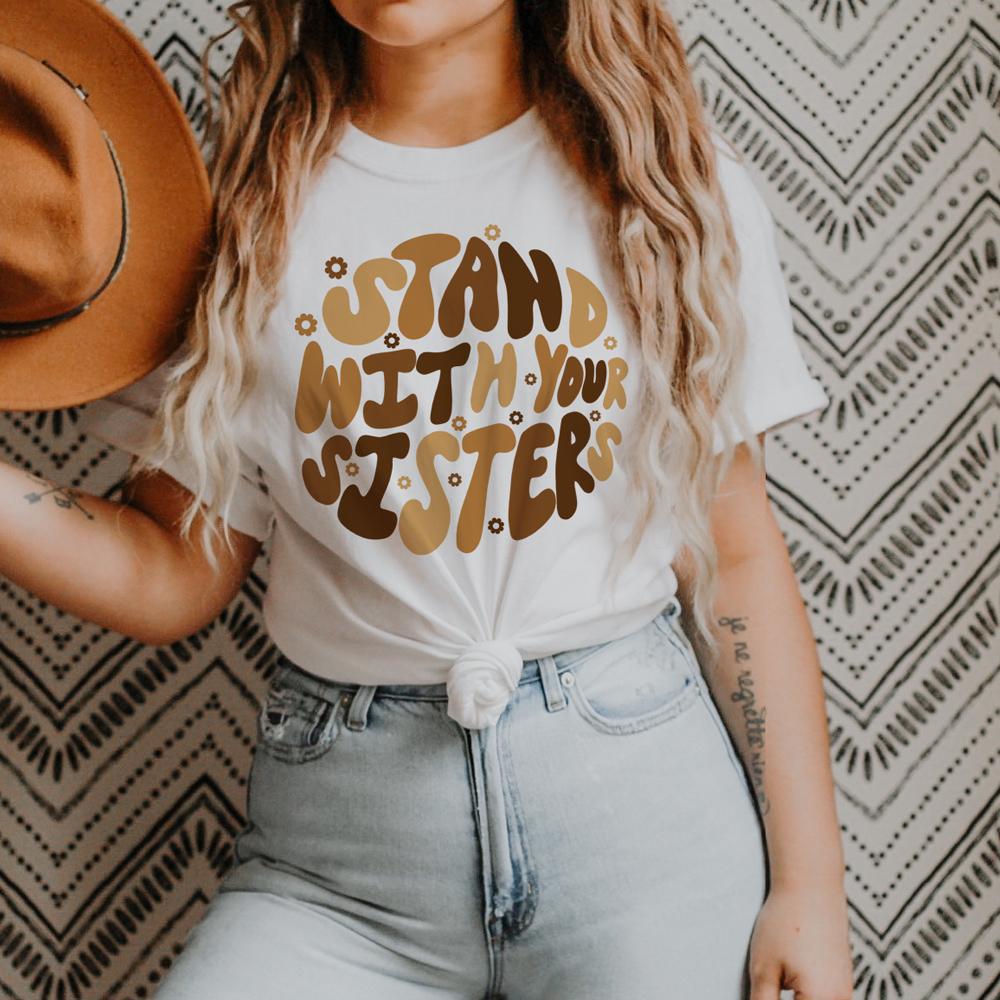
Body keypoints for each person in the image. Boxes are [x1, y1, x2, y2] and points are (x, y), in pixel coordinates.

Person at [1, 0, 854, 997]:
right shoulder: (238, 215)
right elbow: (174, 567)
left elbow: (737, 557)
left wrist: (810, 886)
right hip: (340, 871)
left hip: (643, 830)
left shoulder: (663, 190)